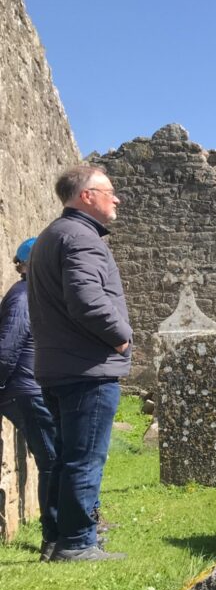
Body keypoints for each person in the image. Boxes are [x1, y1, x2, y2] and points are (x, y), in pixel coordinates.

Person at [28, 165, 133, 562]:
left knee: (65, 457)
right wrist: (122, 338)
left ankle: (57, 538)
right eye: (109, 191)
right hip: (87, 368)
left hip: (58, 367)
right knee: (85, 457)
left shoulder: (51, 236)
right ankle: (77, 543)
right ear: (86, 196)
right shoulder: (81, 238)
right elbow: (87, 301)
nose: (116, 198)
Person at [0, 238, 59, 560]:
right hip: (25, 392)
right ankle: (53, 540)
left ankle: (64, 532)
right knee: (52, 461)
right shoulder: (22, 297)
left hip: (33, 389)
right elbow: (7, 349)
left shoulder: (35, 296)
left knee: (56, 459)